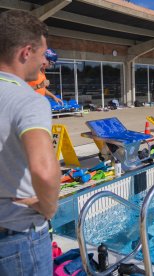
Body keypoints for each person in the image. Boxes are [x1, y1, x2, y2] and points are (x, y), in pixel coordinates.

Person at [0, 10, 61, 275]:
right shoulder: (29, 100)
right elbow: (44, 172)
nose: (45, 63)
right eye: (43, 54)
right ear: (26, 52)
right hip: (17, 239)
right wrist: (47, 207)